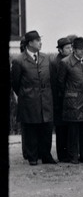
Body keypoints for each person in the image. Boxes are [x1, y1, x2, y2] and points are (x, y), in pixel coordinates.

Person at [11, 29, 57, 165]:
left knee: (46, 128)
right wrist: (26, 94)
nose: (40, 43)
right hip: (29, 100)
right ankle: (32, 156)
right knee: (31, 128)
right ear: (30, 43)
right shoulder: (19, 60)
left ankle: (46, 155)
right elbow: (15, 83)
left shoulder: (46, 58)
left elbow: (52, 79)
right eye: (37, 40)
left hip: (46, 99)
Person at [57, 36, 83, 164]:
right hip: (73, 99)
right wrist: (71, 94)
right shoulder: (65, 62)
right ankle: (73, 156)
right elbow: (61, 83)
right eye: (80, 49)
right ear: (74, 50)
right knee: (73, 129)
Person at [50, 35, 75, 163]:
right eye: (67, 48)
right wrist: (60, 99)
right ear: (60, 50)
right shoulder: (56, 63)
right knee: (61, 128)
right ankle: (62, 154)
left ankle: (68, 153)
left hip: (69, 99)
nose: (70, 50)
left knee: (68, 127)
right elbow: (56, 84)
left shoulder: (70, 60)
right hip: (60, 101)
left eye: (71, 47)